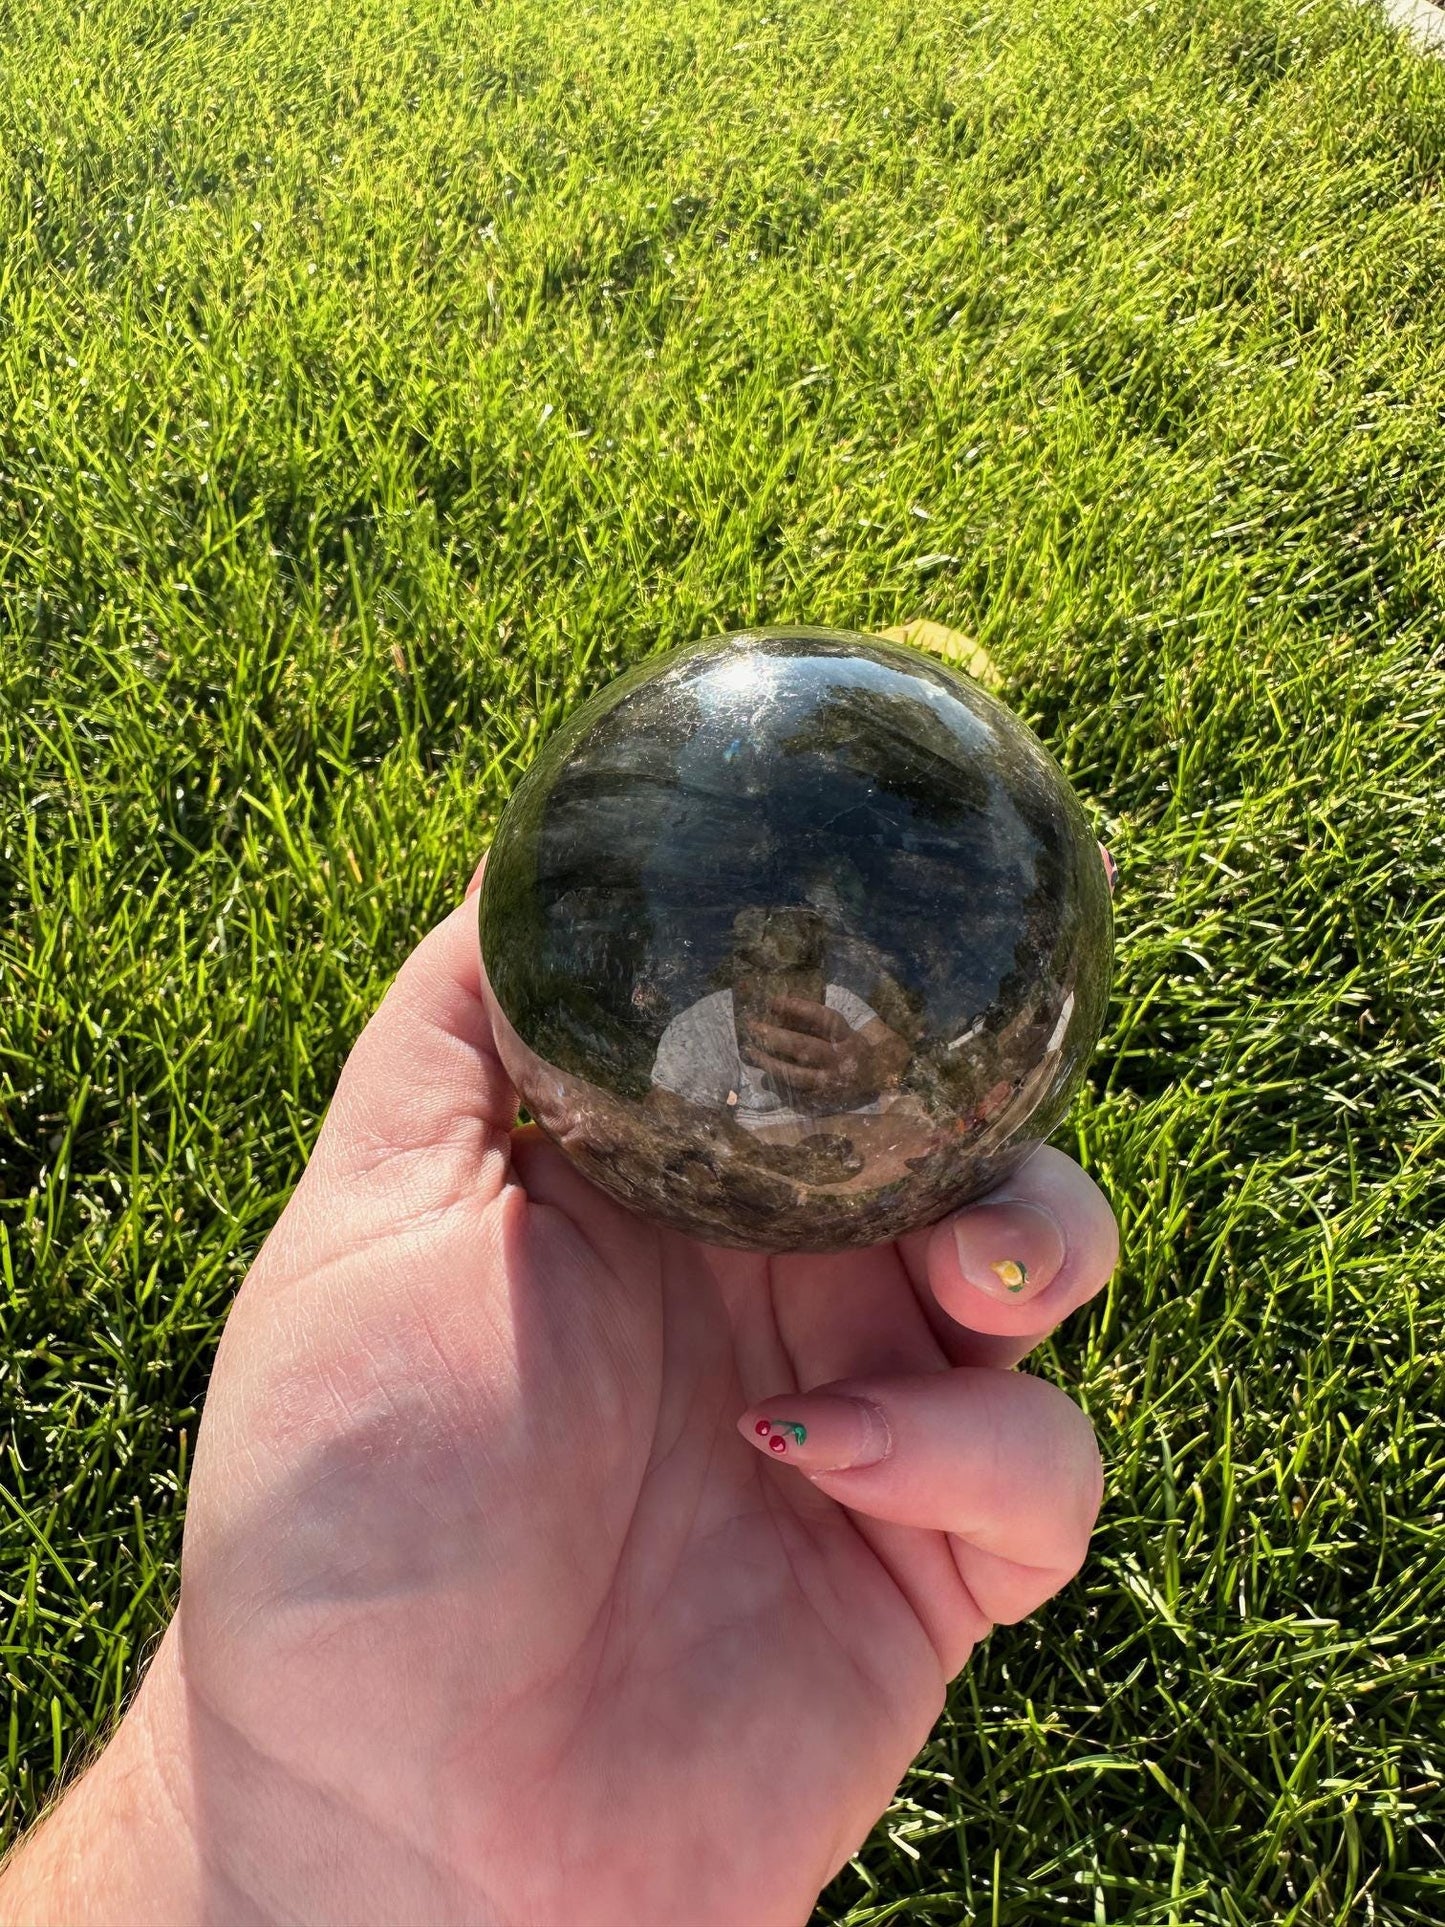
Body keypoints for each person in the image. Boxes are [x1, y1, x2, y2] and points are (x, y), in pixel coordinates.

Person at [0, 854, 1119, 1927]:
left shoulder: (862, 1037)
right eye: (766, 950)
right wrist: (267, 1824)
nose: (786, 978)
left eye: (807, 950)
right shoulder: (688, 1033)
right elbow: (680, 1124)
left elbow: (895, 1109)